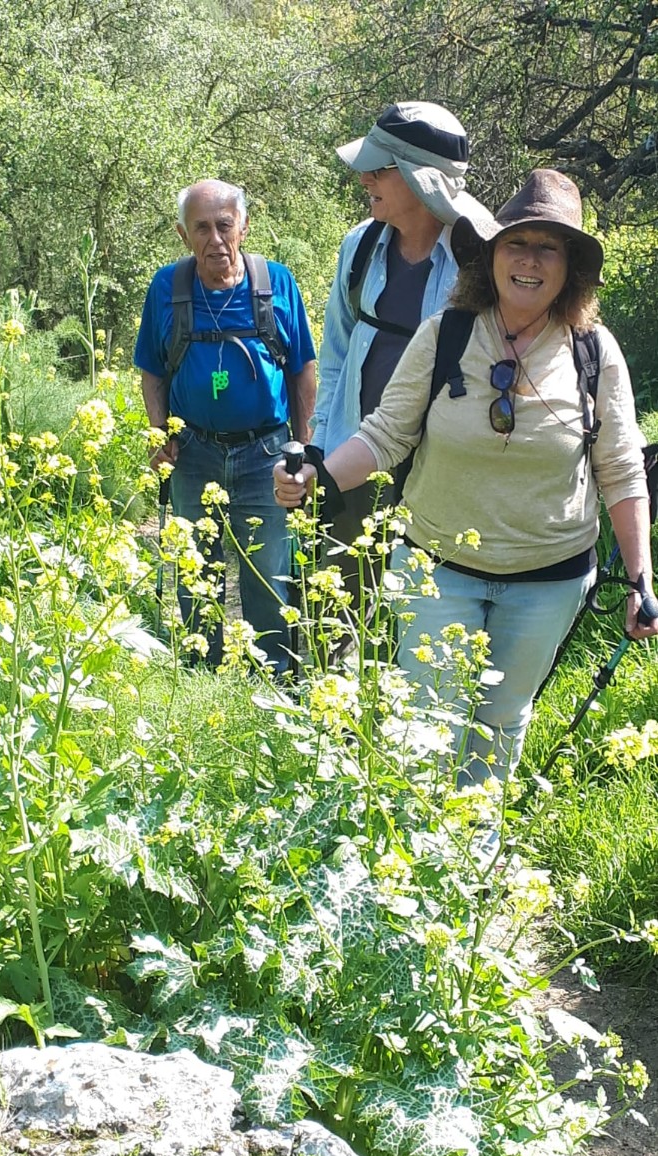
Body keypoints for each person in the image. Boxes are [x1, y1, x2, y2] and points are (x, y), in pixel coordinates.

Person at [274, 168, 658, 781]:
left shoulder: (594, 351)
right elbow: (384, 435)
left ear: (570, 268)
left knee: (503, 720)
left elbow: (620, 469)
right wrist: (316, 471)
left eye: (548, 247)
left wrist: (640, 579)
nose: (528, 260)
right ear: (492, 255)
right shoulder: (447, 334)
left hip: (549, 579)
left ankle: (474, 858)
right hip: (436, 570)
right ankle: (418, 865)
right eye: (516, 243)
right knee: (425, 725)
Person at [311, 101, 492, 597]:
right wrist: (321, 451)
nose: (364, 178)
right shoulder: (359, 248)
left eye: (378, 168)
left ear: (418, 178)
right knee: (337, 608)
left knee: (421, 612)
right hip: (355, 459)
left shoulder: (484, 259)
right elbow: (337, 357)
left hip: (442, 476)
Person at [135, 179, 316, 672]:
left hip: (267, 454)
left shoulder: (276, 282)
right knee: (198, 570)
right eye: (201, 228)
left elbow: (302, 369)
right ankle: (203, 677)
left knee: (270, 574)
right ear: (183, 234)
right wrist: (160, 436)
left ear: (243, 227)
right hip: (193, 453)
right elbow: (151, 372)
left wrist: (303, 448)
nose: (215, 239)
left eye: (224, 225)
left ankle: (276, 681)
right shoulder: (166, 289)